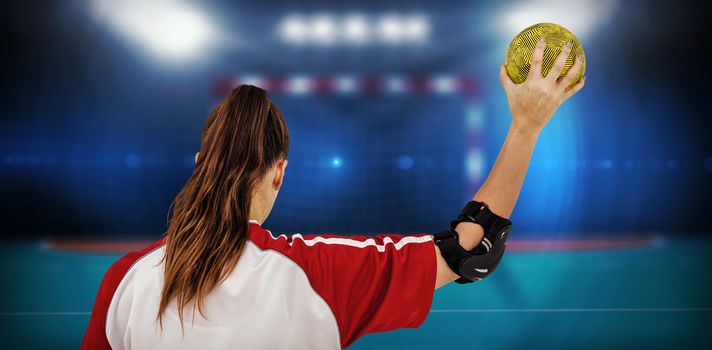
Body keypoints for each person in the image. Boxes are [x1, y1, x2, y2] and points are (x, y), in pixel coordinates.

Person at [81, 39, 584, 349]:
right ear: (279, 174)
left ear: (198, 165)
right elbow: (470, 250)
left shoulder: (125, 282)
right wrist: (525, 126)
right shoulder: (320, 274)